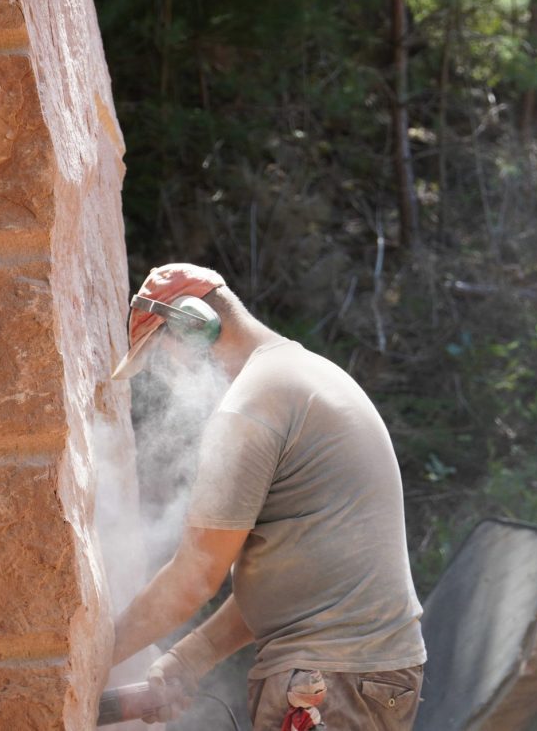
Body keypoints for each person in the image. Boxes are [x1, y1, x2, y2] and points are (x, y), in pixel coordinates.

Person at [110, 263, 426, 730]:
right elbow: (301, 582)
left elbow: (195, 577)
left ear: (192, 325)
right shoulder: (303, 376)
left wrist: (89, 660)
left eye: (160, 353)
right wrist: (188, 659)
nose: (166, 374)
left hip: (326, 680)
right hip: (365, 675)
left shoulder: (252, 406)